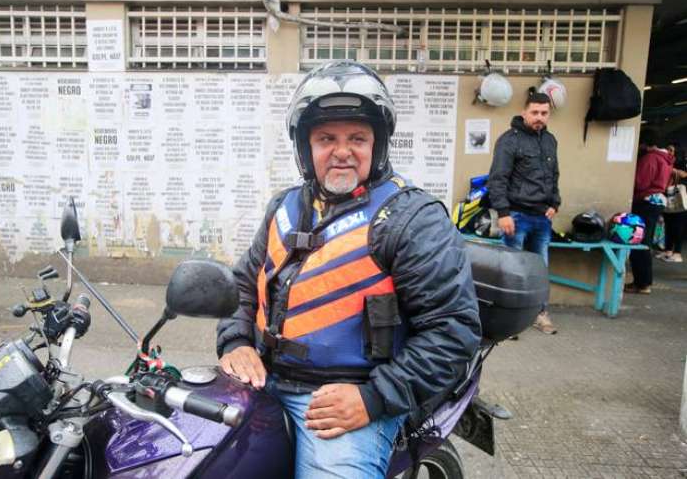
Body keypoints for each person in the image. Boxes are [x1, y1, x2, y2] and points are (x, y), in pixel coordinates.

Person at [216, 61, 481, 478]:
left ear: (379, 145)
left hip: (352, 396)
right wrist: (235, 341)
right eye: (326, 138)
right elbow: (242, 287)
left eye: (357, 137)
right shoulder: (284, 208)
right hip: (261, 377)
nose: (341, 150)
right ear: (307, 149)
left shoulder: (412, 218)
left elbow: (453, 331)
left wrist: (374, 398)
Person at [487, 92, 560, 334]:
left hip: (542, 218)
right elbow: (497, 179)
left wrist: (555, 203)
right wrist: (503, 213)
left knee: (540, 269)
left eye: (544, 113)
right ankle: (509, 321)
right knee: (512, 272)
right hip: (515, 216)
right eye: (535, 112)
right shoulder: (509, 140)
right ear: (524, 113)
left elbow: (554, 175)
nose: (539, 117)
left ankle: (540, 314)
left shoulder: (550, 140)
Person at [625, 133, 674, 294]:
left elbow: (640, 182)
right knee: (645, 242)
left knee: (639, 242)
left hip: (645, 202)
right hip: (657, 202)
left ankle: (642, 283)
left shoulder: (651, 158)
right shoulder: (666, 159)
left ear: (647, 144)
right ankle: (644, 282)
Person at [656, 143, 687, 263]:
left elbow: (683, 174)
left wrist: (672, 169)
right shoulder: (668, 162)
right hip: (669, 198)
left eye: (671, 150)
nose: (668, 152)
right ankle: (668, 250)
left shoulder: (680, 164)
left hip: (681, 201)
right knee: (668, 225)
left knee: (678, 227)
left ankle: (677, 253)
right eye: (667, 149)